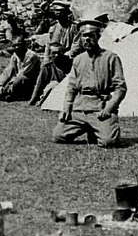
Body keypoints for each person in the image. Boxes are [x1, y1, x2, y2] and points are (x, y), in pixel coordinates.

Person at [53, 18, 126, 148]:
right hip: (80, 108)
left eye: (91, 35)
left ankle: (97, 128)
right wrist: (66, 108)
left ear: (98, 36)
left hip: (99, 108)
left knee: (108, 141)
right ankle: (89, 128)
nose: (87, 39)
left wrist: (109, 108)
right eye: (84, 36)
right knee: (58, 136)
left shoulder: (111, 58)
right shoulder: (78, 60)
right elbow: (71, 88)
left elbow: (121, 88)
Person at [0, 37, 44, 102]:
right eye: (15, 46)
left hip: (31, 83)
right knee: (12, 79)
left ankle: (11, 94)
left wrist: (8, 86)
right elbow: (8, 71)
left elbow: (23, 73)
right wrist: (1, 85)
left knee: (20, 79)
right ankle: (9, 94)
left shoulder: (31, 56)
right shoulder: (15, 55)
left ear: (24, 45)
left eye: (19, 45)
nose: (17, 48)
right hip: (18, 81)